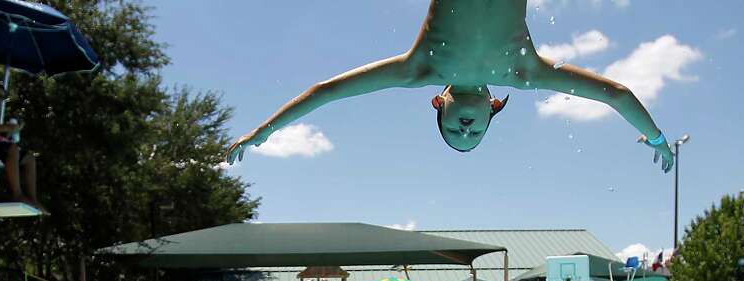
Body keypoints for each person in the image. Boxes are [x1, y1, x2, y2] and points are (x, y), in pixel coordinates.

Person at [227, 0, 674, 172]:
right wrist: (655, 137)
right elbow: (616, 95)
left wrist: (263, 132)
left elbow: (326, 91)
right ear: (492, 109)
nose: (465, 128)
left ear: (438, 102)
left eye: (455, 130)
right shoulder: (525, 73)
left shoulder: (419, 68)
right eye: (474, 132)